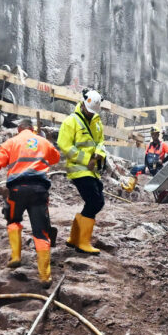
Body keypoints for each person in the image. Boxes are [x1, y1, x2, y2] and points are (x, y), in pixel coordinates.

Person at [0, 118, 60, 283]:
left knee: (13, 219)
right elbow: (55, 158)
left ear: (19, 129)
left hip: (17, 190)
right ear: (32, 129)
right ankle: (45, 277)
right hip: (39, 191)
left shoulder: (12, 142)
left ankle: (16, 256)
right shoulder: (43, 141)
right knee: (41, 232)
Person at [57, 89, 109, 254]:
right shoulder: (70, 121)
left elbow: (101, 141)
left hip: (92, 170)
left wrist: (99, 154)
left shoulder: (96, 121)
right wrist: (86, 159)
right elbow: (65, 146)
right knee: (95, 202)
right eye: (89, 110)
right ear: (82, 103)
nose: (90, 113)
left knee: (95, 201)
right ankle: (82, 243)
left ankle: (74, 238)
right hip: (79, 169)